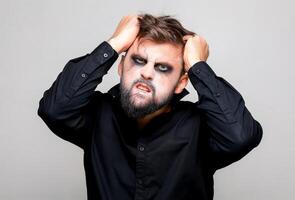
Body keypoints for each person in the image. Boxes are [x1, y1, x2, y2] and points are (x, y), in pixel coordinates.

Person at [38, 13, 263, 200]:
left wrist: (197, 66)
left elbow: (241, 136)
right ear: (120, 67)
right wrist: (114, 44)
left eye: (163, 68)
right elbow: (54, 109)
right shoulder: (99, 114)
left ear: (181, 83)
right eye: (138, 60)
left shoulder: (200, 127)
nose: (146, 72)